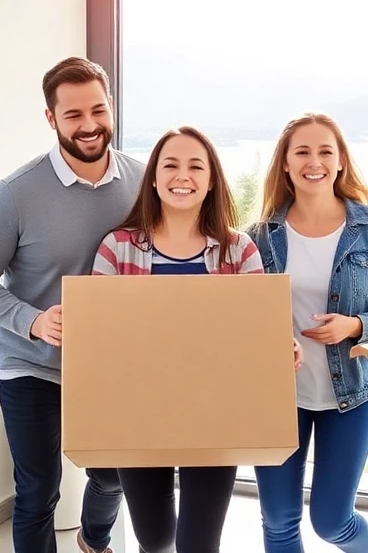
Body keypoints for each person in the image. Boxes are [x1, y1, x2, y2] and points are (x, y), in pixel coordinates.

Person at [0, 56, 141, 553]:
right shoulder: (16, 193)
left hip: (108, 367)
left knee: (115, 475)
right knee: (38, 492)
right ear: (51, 118)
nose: (88, 126)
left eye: (97, 111)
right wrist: (33, 321)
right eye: (73, 115)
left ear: (111, 108)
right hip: (29, 364)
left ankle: (94, 537)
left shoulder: (143, 182)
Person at [89, 126, 298, 553]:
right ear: (152, 177)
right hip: (138, 417)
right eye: (170, 165)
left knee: (198, 545)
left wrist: (277, 349)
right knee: (156, 538)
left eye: (195, 166)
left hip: (215, 417)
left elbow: (255, 333)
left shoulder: (239, 252)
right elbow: (97, 337)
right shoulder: (117, 248)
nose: (181, 175)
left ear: (210, 180)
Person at [248, 112, 368, 553]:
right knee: (279, 520)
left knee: (332, 521)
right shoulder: (259, 237)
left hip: (353, 395)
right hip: (277, 396)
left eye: (325, 151)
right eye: (301, 151)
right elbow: (239, 320)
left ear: (340, 162)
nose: (313, 161)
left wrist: (356, 325)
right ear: (284, 163)